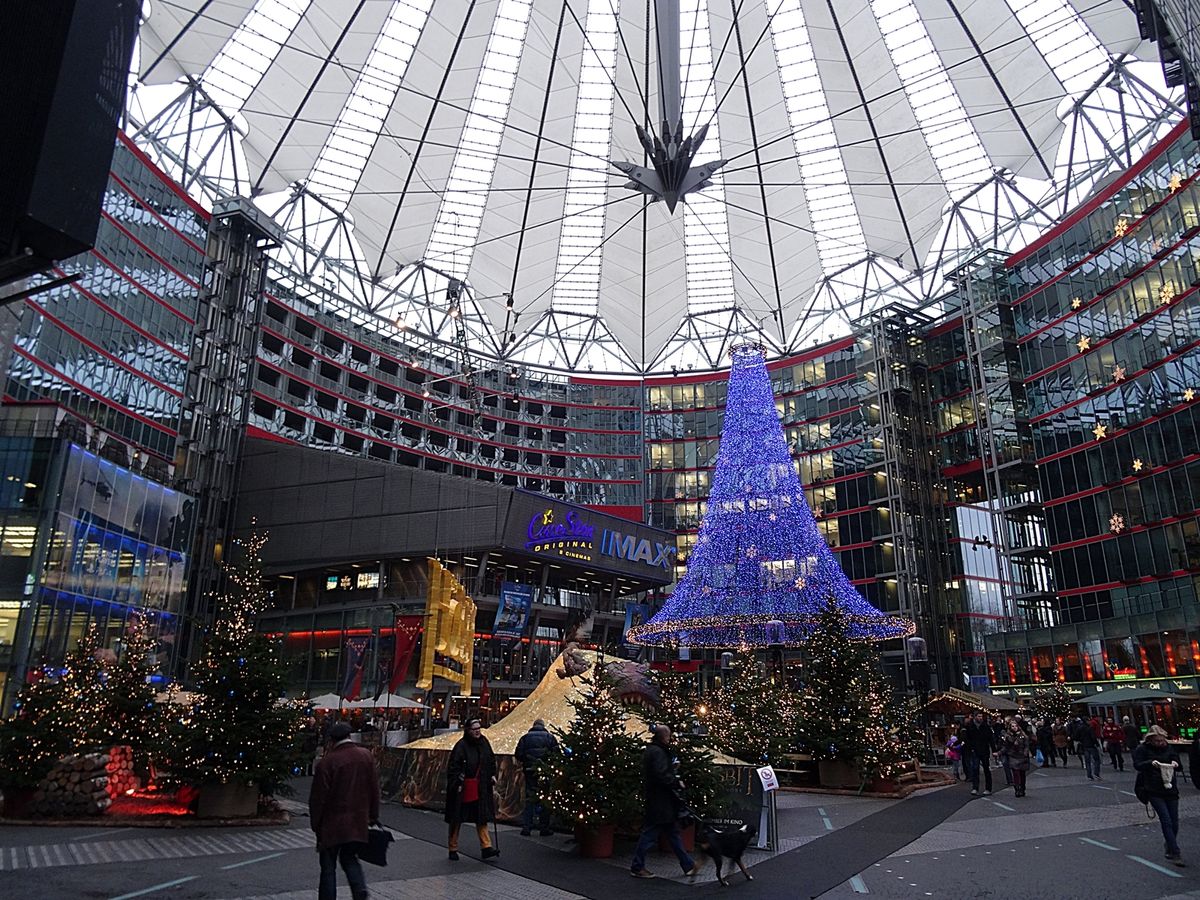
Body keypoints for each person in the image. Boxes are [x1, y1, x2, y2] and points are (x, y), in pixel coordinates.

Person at [309, 721, 380, 900]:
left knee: (328, 867)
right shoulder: (366, 756)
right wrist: (373, 815)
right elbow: (374, 789)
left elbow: (318, 798)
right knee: (350, 858)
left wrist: (316, 824)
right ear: (349, 736)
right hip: (358, 821)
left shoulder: (327, 763)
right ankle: (359, 889)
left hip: (332, 824)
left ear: (332, 741)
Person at [630, 725, 703, 879]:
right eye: (669, 736)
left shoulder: (653, 750)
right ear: (664, 736)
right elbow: (661, 774)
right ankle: (637, 866)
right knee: (651, 834)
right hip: (660, 801)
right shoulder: (659, 752)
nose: (670, 739)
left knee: (672, 834)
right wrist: (676, 782)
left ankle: (688, 865)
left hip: (659, 800)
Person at [445, 718, 499, 861]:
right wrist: (458, 781)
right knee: (457, 818)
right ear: (468, 730)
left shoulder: (484, 743)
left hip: (480, 786)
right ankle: (453, 847)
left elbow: (490, 760)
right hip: (463, 788)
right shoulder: (461, 746)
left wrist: (492, 774)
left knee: (481, 817)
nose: (477, 732)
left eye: (479, 729)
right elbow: (453, 767)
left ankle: (486, 847)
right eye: (474, 729)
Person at [1133, 725, 1185, 866]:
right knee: (1166, 820)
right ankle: (1175, 852)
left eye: (1162, 740)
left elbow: (1179, 764)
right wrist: (1150, 763)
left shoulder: (1168, 748)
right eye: (1157, 741)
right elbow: (1137, 765)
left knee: (1174, 822)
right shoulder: (1143, 749)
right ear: (1150, 740)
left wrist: (1175, 763)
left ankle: (1169, 845)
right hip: (1153, 789)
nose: (1160, 743)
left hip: (1170, 788)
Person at [514, 718, 558, 836]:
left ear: (533, 726)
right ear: (543, 726)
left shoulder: (525, 738)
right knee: (545, 798)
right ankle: (544, 827)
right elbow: (556, 753)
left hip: (529, 771)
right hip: (545, 772)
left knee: (529, 798)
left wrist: (526, 762)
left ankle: (527, 827)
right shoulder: (550, 738)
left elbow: (518, 754)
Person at [961, 711, 996, 796]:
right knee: (975, 768)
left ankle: (988, 788)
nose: (980, 718)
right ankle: (975, 788)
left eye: (981, 716)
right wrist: (971, 748)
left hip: (984, 750)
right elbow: (967, 738)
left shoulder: (986, 727)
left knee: (986, 769)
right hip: (975, 750)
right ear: (975, 717)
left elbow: (991, 739)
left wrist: (994, 750)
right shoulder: (970, 727)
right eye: (979, 716)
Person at [1002, 720, 1032, 797]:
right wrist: (999, 752)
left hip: (1022, 756)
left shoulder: (1023, 735)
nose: (1014, 728)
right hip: (1013, 756)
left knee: (1022, 774)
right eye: (1012, 726)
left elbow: (1026, 745)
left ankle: (1022, 788)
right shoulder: (1008, 736)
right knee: (1016, 773)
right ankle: (1017, 789)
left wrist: (1026, 752)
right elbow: (1006, 747)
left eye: (1015, 726)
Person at [1074, 716, 1102, 780]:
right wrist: (1097, 744)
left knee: (1087, 761)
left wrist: (1081, 740)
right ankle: (1096, 773)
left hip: (1084, 745)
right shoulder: (1089, 728)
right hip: (1091, 745)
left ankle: (1089, 775)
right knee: (1097, 760)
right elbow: (1093, 737)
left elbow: (1075, 737)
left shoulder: (1079, 728)